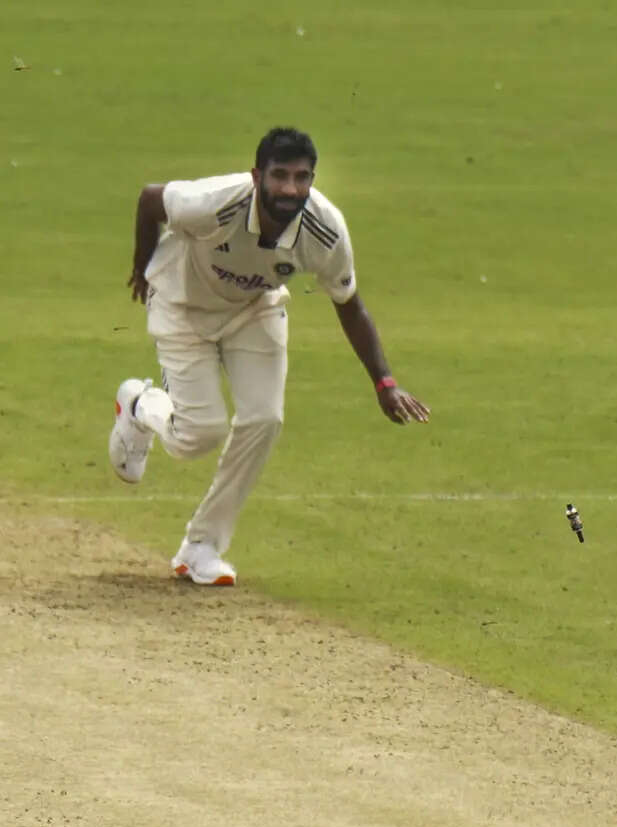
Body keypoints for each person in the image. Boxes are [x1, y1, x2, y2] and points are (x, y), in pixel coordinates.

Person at [107, 126, 430, 586]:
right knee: (198, 436)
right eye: (280, 176)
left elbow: (350, 305)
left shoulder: (325, 230)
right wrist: (141, 268)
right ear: (257, 175)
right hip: (182, 306)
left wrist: (385, 382)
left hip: (252, 310)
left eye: (302, 178)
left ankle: (201, 546)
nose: (290, 189)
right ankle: (140, 407)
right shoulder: (216, 201)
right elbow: (149, 200)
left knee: (264, 419)